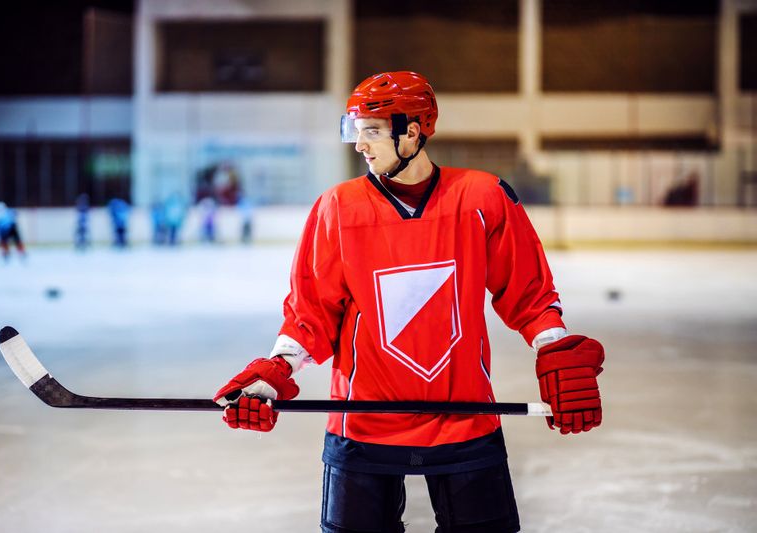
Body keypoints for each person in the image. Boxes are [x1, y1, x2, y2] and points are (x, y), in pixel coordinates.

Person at [213, 71, 605, 533]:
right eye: (356, 131)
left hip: (464, 417)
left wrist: (554, 347)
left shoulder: (483, 197)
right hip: (363, 422)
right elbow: (311, 311)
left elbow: (528, 291)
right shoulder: (337, 208)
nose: (360, 145)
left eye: (372, 131)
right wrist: (276, 371)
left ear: (413, 132)